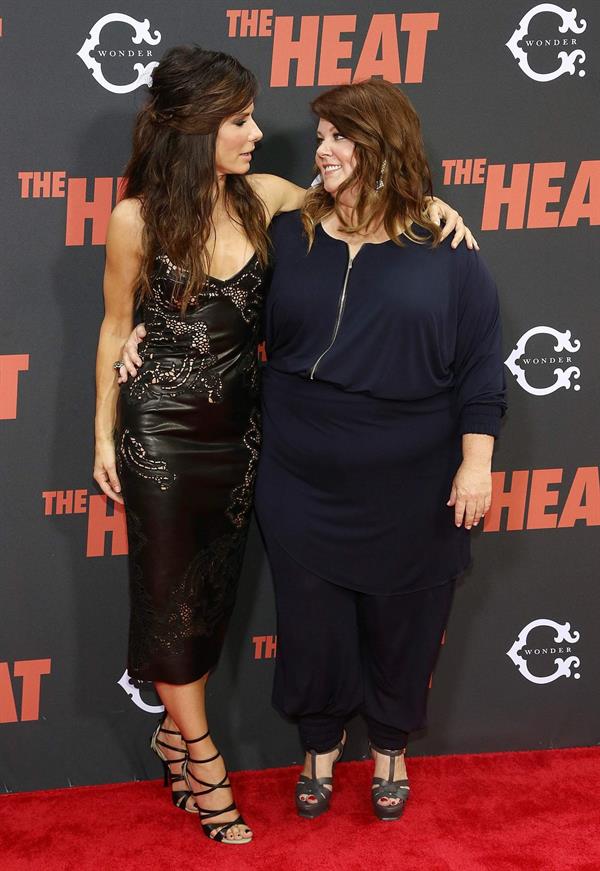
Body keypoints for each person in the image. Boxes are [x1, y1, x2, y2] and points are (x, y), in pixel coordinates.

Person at [96, 46, 475, 843]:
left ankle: (170, 733)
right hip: (161, 430)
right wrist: (103, 427)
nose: (258, 133)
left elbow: (364, 200)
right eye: (240, 120)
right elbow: (109, 325)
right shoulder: (135, 216)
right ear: (200, 128)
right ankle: (203, 759)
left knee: (212, 599)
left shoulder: (267, 197)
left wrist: (433, 204)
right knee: (169, 599)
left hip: (244, 437)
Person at [252, 80, 507, 822]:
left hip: (413, 476)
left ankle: (391, 746)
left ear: (385, 146)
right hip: (299, 470)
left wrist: (477, 461)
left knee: (407, 620)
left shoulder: (448, 249)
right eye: (322, 135)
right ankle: (319, 749)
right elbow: (225, 307)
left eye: (339, 137)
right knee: (310, 619)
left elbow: (481, 366)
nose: (322, 151)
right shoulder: (290, 233)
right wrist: (150, 331)